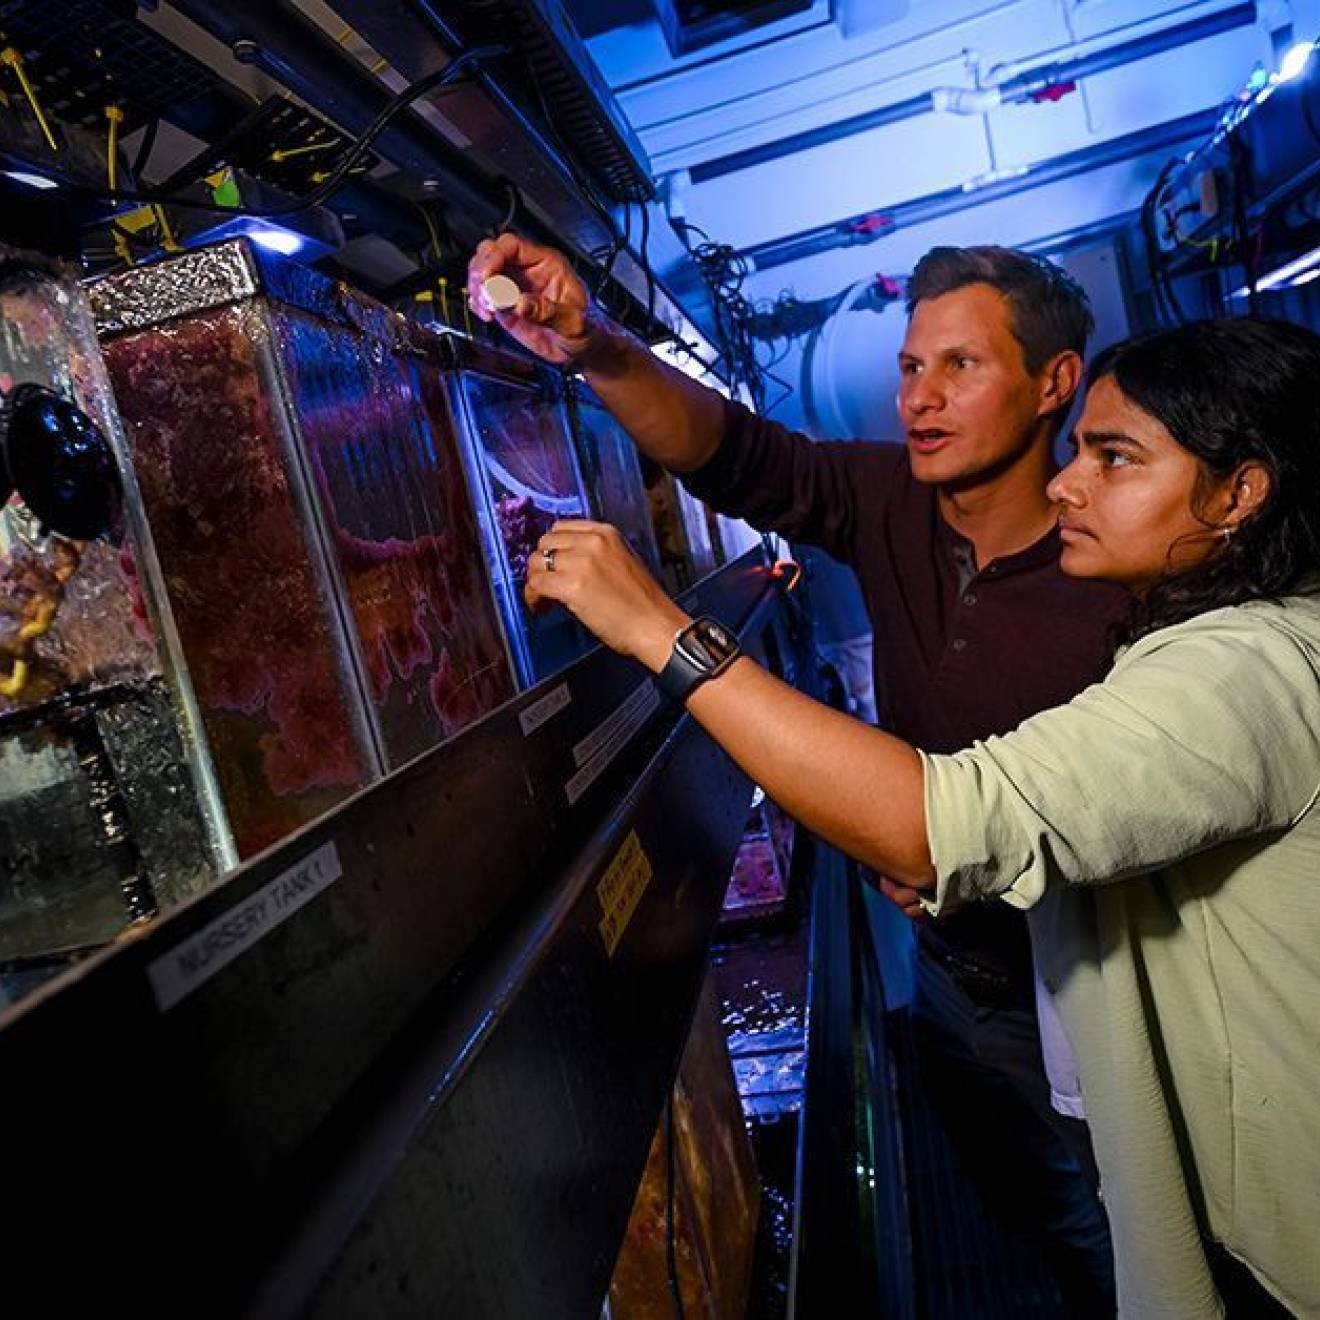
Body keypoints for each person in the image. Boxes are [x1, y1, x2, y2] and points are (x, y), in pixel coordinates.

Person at [520, 315, 1320, 1317]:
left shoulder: (1242, 666)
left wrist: (659, 630)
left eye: (1115, 459)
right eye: (909, 368)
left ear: (1241, 492)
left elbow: (946, 816)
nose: (1073, 483)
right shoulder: (1193, 623)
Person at [469, 234, 1123, 1309]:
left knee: (1124, 1229)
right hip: (951, 980)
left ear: (1055, 384)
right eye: (912, 367)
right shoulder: (891, 498)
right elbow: (734, 456)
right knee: (1034, 1210)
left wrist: (961, 854)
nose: (920, 395)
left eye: (961, 366)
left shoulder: (1112, 574)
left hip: (1081, 990)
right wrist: (593, 348)